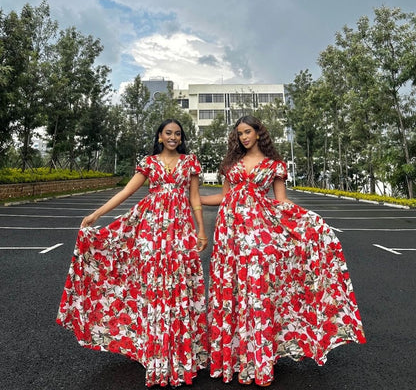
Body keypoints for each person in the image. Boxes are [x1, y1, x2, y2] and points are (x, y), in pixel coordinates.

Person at [201, 115, 366, 387]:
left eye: (247, 132)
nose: (243, 137)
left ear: (258, 133)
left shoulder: (275, 165)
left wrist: (311, 222)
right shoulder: (231, 164)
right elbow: (223, 197)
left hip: (259, 230)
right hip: (228, 234)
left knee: (255, 289)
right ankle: (234, 360)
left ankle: (259, 361)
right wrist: (191, 199)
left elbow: (281, 201)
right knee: (232, 290)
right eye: (239, 133)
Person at [57, 119, 209, 388]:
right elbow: (127, 192)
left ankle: (181, 354)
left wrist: (201, 230)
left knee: (180, 288)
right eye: (168, 133)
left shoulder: (190, 162)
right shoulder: (149, 163)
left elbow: (194, 198)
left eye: (177, 134)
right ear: (160, 136)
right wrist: (96, 214)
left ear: (181, 137)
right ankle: (157, 355)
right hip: (152, 234)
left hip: (181, 231)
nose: (173, 137)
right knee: (156, 289)